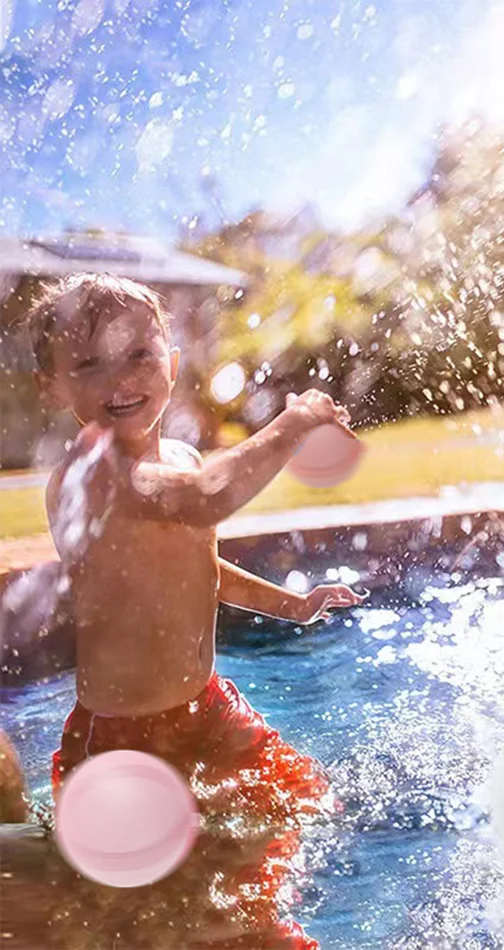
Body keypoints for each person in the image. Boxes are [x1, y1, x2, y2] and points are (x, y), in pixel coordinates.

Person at [20, 273, 365, 838]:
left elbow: (195, 565)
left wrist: (293, 606)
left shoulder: (180, 455)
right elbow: (207, 500)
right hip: (124, 740)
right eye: (88, 365)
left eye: (138, 354)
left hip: (206, 708)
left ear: (172, 364)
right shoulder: (92, 480)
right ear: (52, 387)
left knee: (306, 808)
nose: (121, 379)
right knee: (169, 903)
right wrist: (295, 421)